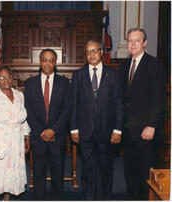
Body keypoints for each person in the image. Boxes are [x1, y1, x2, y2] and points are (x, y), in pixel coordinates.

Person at [70, 40, 124, 200]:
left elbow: (119, 103)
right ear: (85, 55)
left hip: (107, 131)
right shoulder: (78, 75)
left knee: (106, 168)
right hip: (85, 131)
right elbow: (74, 103)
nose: (91, 55)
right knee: (87, 169)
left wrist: (118, 129)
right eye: (88, 52)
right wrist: (73, 129)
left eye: (94, 51)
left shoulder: (114, 74)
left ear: (101, 52)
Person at [120, 28, 166, 200]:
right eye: (130, 40)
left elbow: (159, 99)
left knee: (145, 172)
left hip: (146, 130)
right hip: (128, 129)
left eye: (137, 40)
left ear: (145, 43)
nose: (132, 44)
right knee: (130, 171)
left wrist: (152, 125)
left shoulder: (155, 65)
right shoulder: (124, 65)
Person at [24, 48, 71, 200]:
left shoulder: (64, 83)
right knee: (38, 172)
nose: (47, 63)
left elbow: (67, 110)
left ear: (55, 63)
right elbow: (28, 110)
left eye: (51, 60)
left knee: (58, 172)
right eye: (44, 59)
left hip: (57, 136)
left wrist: (53, 130)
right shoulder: (30, 83)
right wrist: (41, 131)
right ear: (40, 62)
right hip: (39, 137)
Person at [0, 66, 30, 201]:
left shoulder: (20, 95)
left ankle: (7, 199)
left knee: (11, 172)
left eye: (8, 77)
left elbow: (23, 119)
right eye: (1, 78)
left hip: (16, 140)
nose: (6, 80)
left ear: (12, 77)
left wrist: (27, 137)